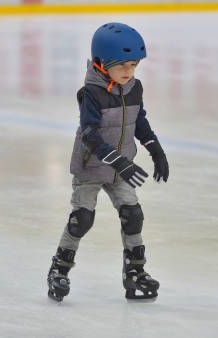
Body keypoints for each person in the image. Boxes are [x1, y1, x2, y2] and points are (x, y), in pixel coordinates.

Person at [47, 22, 169, 302]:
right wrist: (120, 162)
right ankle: (59, 269)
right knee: (82, 219)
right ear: (102, 63)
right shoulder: (91, 93)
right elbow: (90, 135)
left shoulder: (133, 88)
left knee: (133, 215)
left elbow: (140, 123)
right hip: (92, 167)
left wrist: (156, 150)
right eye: (122, 66)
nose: (129, 72)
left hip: (120, 168)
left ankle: (135, 272)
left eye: (133, 65)